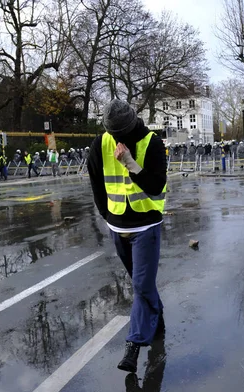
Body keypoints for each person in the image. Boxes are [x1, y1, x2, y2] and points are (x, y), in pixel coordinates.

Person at [87, 99, 167, 373]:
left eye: (121, 133)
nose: (117, 139)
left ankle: (133, 345)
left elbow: (157, 186)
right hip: (117, 226)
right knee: (141, 283)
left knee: (142, 285)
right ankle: (157, 316)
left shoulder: (151, 142)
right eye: (113, 134)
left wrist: (132, 164)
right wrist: (107, 216)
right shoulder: (101, 143)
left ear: (133, 123)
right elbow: (97, 182)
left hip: (146, 224)